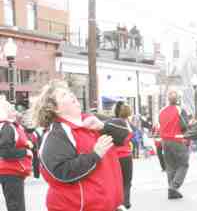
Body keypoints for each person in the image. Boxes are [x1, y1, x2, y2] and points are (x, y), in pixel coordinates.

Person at [32, 80, 124, 211]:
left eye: (69, 92)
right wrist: (95, 155)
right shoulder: (56, 134)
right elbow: (61, 172)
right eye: (64, 95)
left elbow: (126, 135)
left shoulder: (91, 119)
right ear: (55, 108)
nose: (71, 95)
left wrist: (104, 126)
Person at [0, 99, 33, 211]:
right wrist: (25, 152)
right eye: (10, 108)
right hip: (10, 172)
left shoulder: (10, 126)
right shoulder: (7, 127)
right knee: (16, 207)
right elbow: (5, 152)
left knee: (15, 205)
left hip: (12, 171)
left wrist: (26, 145)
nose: (13, 109)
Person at [159, 90, 189, 199]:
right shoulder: (180, 110)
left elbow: (159, 125)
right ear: (177, 99)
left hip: (164, 141)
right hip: (177, 139)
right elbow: (185, 126)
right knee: (183, 164)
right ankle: (174, 187)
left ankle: (172, 188)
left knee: (170, 166)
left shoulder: (162, 111)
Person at [113, 101, 134, 209]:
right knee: (127, 181)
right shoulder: (128, 125)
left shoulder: (112, 123)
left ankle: (117, 202)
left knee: (116, 180)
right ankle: (125, 202)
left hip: (113, 155)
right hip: (125, 155)